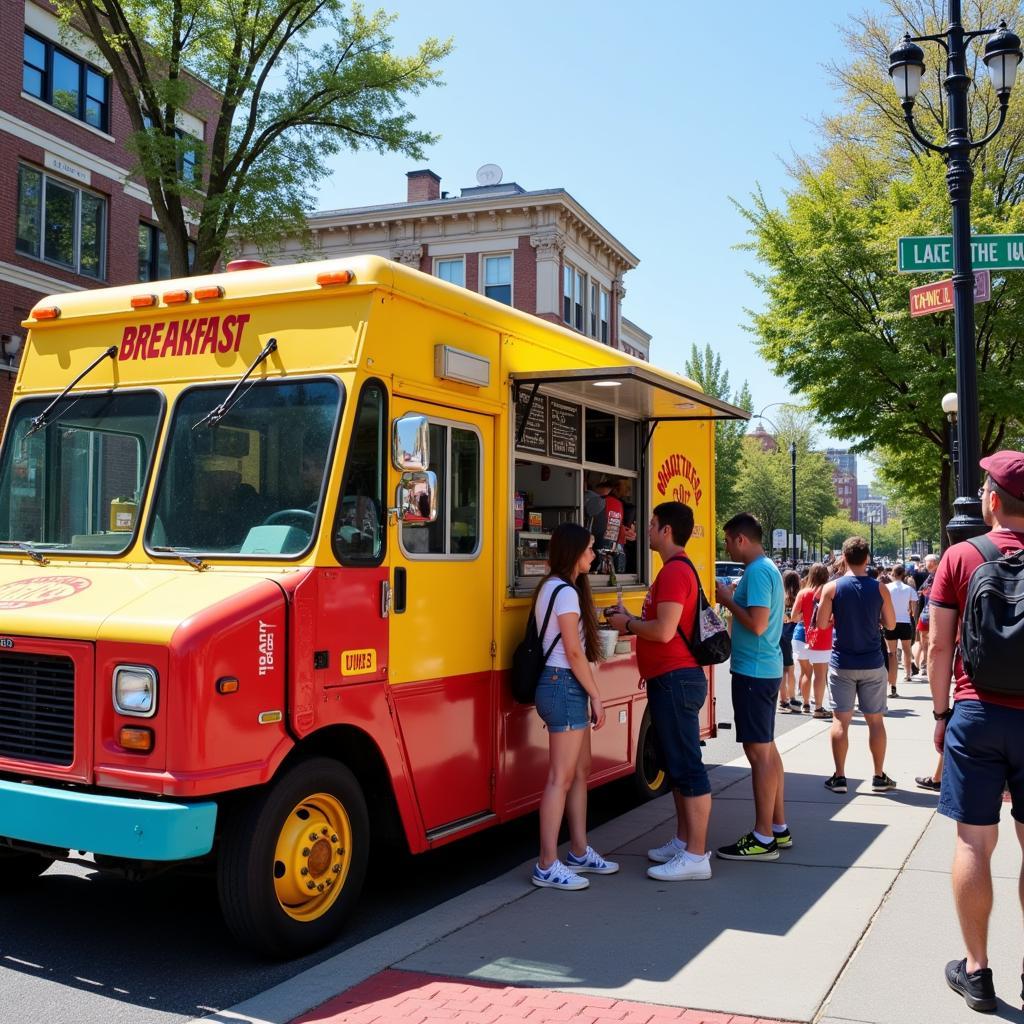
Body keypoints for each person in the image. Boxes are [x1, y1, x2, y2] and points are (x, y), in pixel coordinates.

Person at [928, 451, 1024, 1012]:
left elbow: (940, 646)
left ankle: (978, 972)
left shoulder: (962, 557)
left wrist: (941, 716)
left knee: (973, 841)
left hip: (977, 712)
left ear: (991, 501)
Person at [607, 501, 712, 882]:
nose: (646, 530)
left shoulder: (673, 573)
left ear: (666, 531)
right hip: (671, 678)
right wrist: (632, 621)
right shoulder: (674, 570)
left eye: (651, 525)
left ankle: (697, 855)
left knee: (687, 767)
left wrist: (628, 623)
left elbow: (664, 631)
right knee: (675, 764)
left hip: (676, 679)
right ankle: (685, 842)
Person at [530, 522, 618, 891]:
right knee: (561, 778)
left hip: (563, 686)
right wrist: (597, 695)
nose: (594, 555)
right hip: (563, 685)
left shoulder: (552, 587)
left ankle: (579, 851)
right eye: (589, 549)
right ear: (573, 553)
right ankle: (547, 863)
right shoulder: (564, 593)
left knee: (579, 772)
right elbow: (573, 650)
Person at [714, 513, 789, 861]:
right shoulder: (768, 569)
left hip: (754, 671)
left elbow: (757, 625)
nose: (726, 546)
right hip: (764, 668)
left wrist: (727, 600)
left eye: (728, 541)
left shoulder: (758, 572)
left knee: (758, 754)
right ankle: (777, 827)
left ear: (741, 539)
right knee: (768, 751)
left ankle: (762, 837)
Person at [816, 536, 897, 795]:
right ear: (868, 558)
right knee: (876, 721)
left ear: (843, 556)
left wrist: (835, 620)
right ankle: (878, 776)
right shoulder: (880, 588)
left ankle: (839, 777)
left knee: (841, 720)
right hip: (873, 661)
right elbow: (892, 624)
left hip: (843, 662)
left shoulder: (832, 588)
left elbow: (821, 624)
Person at [793, 563, 833, 719]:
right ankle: (818, 707)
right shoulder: (828, 592)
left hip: (802, 635)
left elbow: (794, 616)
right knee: (820, 674)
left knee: (805, 672)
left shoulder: (803, 593)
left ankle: (805, 704)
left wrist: (806, 617)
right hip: (821, 637)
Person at [884, 564, 918, 697]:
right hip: (905, 621)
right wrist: (911, 613)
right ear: (903, 574)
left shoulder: (887, 587)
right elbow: (914, 605)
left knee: (891, 654)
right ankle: (908, 673)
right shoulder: (908, 589)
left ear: (893, 573)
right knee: (906, 649)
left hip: (890, 621)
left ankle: (892, 683)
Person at [778, 570, 800, 713]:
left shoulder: (779, 596)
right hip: (794, 635)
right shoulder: (799, 596)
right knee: (790, 669)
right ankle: (790, 698)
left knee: (782, 669)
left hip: (780, 635)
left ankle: (783, 698)